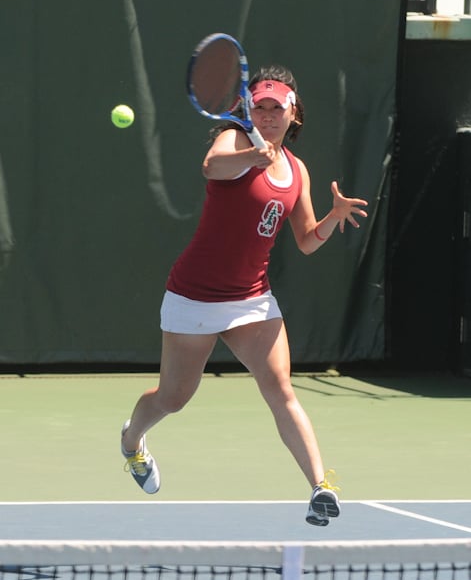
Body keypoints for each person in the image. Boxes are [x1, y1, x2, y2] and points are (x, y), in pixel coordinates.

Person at [121, 65, 368, 526]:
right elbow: (212, 167)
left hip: (252, 299)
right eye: (262, 106)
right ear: (248, 108)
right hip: (195, 295)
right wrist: (251, 158)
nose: (270, 114)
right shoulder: (236, 140)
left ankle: (319, 487)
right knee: (173, 399)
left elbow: (308, 241)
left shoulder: (297, 170)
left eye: (279, 108)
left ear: (294, 115)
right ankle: (132, 441)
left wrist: (334, 216)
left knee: (281, 390)